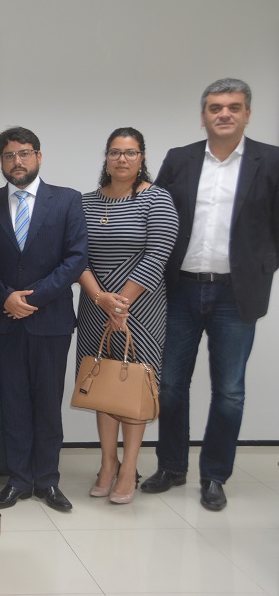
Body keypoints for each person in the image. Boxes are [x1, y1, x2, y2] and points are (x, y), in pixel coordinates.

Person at [141, 78, 279, 511]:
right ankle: (171, 466)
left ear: (247, 114)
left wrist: (262, 266)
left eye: (233, 107)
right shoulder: (179, 159)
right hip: (180, 288)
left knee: (230, 391)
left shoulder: (271, 160)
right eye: (216, 107)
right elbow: (158, 213)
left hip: (236, 294)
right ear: (203, 115)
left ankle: (215, 475)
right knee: (170, 385)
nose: (224, 114)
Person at [0, 127, 87, 512]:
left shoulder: (67, 200)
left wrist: (31, 298)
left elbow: (75, 259)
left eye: (24, 153)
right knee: (14, 402)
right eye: (9, 155)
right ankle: (19, 479)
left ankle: (48, 480)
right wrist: (5, 296)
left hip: (50, 320)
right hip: (4, 319)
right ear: (1, 161)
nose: (17, 161)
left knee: (48, 403)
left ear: (38, 156)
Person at [76, 128, 178, 504]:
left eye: (130, 152)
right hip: (95, 306)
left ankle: (129, 467)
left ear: (141, 157)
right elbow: (74, 255)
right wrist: (100, 298)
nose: (122, 159)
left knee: (134, 385)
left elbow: (158, 253)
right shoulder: (85, 203)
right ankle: (108, 463)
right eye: (115, 152)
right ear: (106, 157)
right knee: (104, 382)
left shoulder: (157, 199)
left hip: (142, 308)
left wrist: (121, 304)